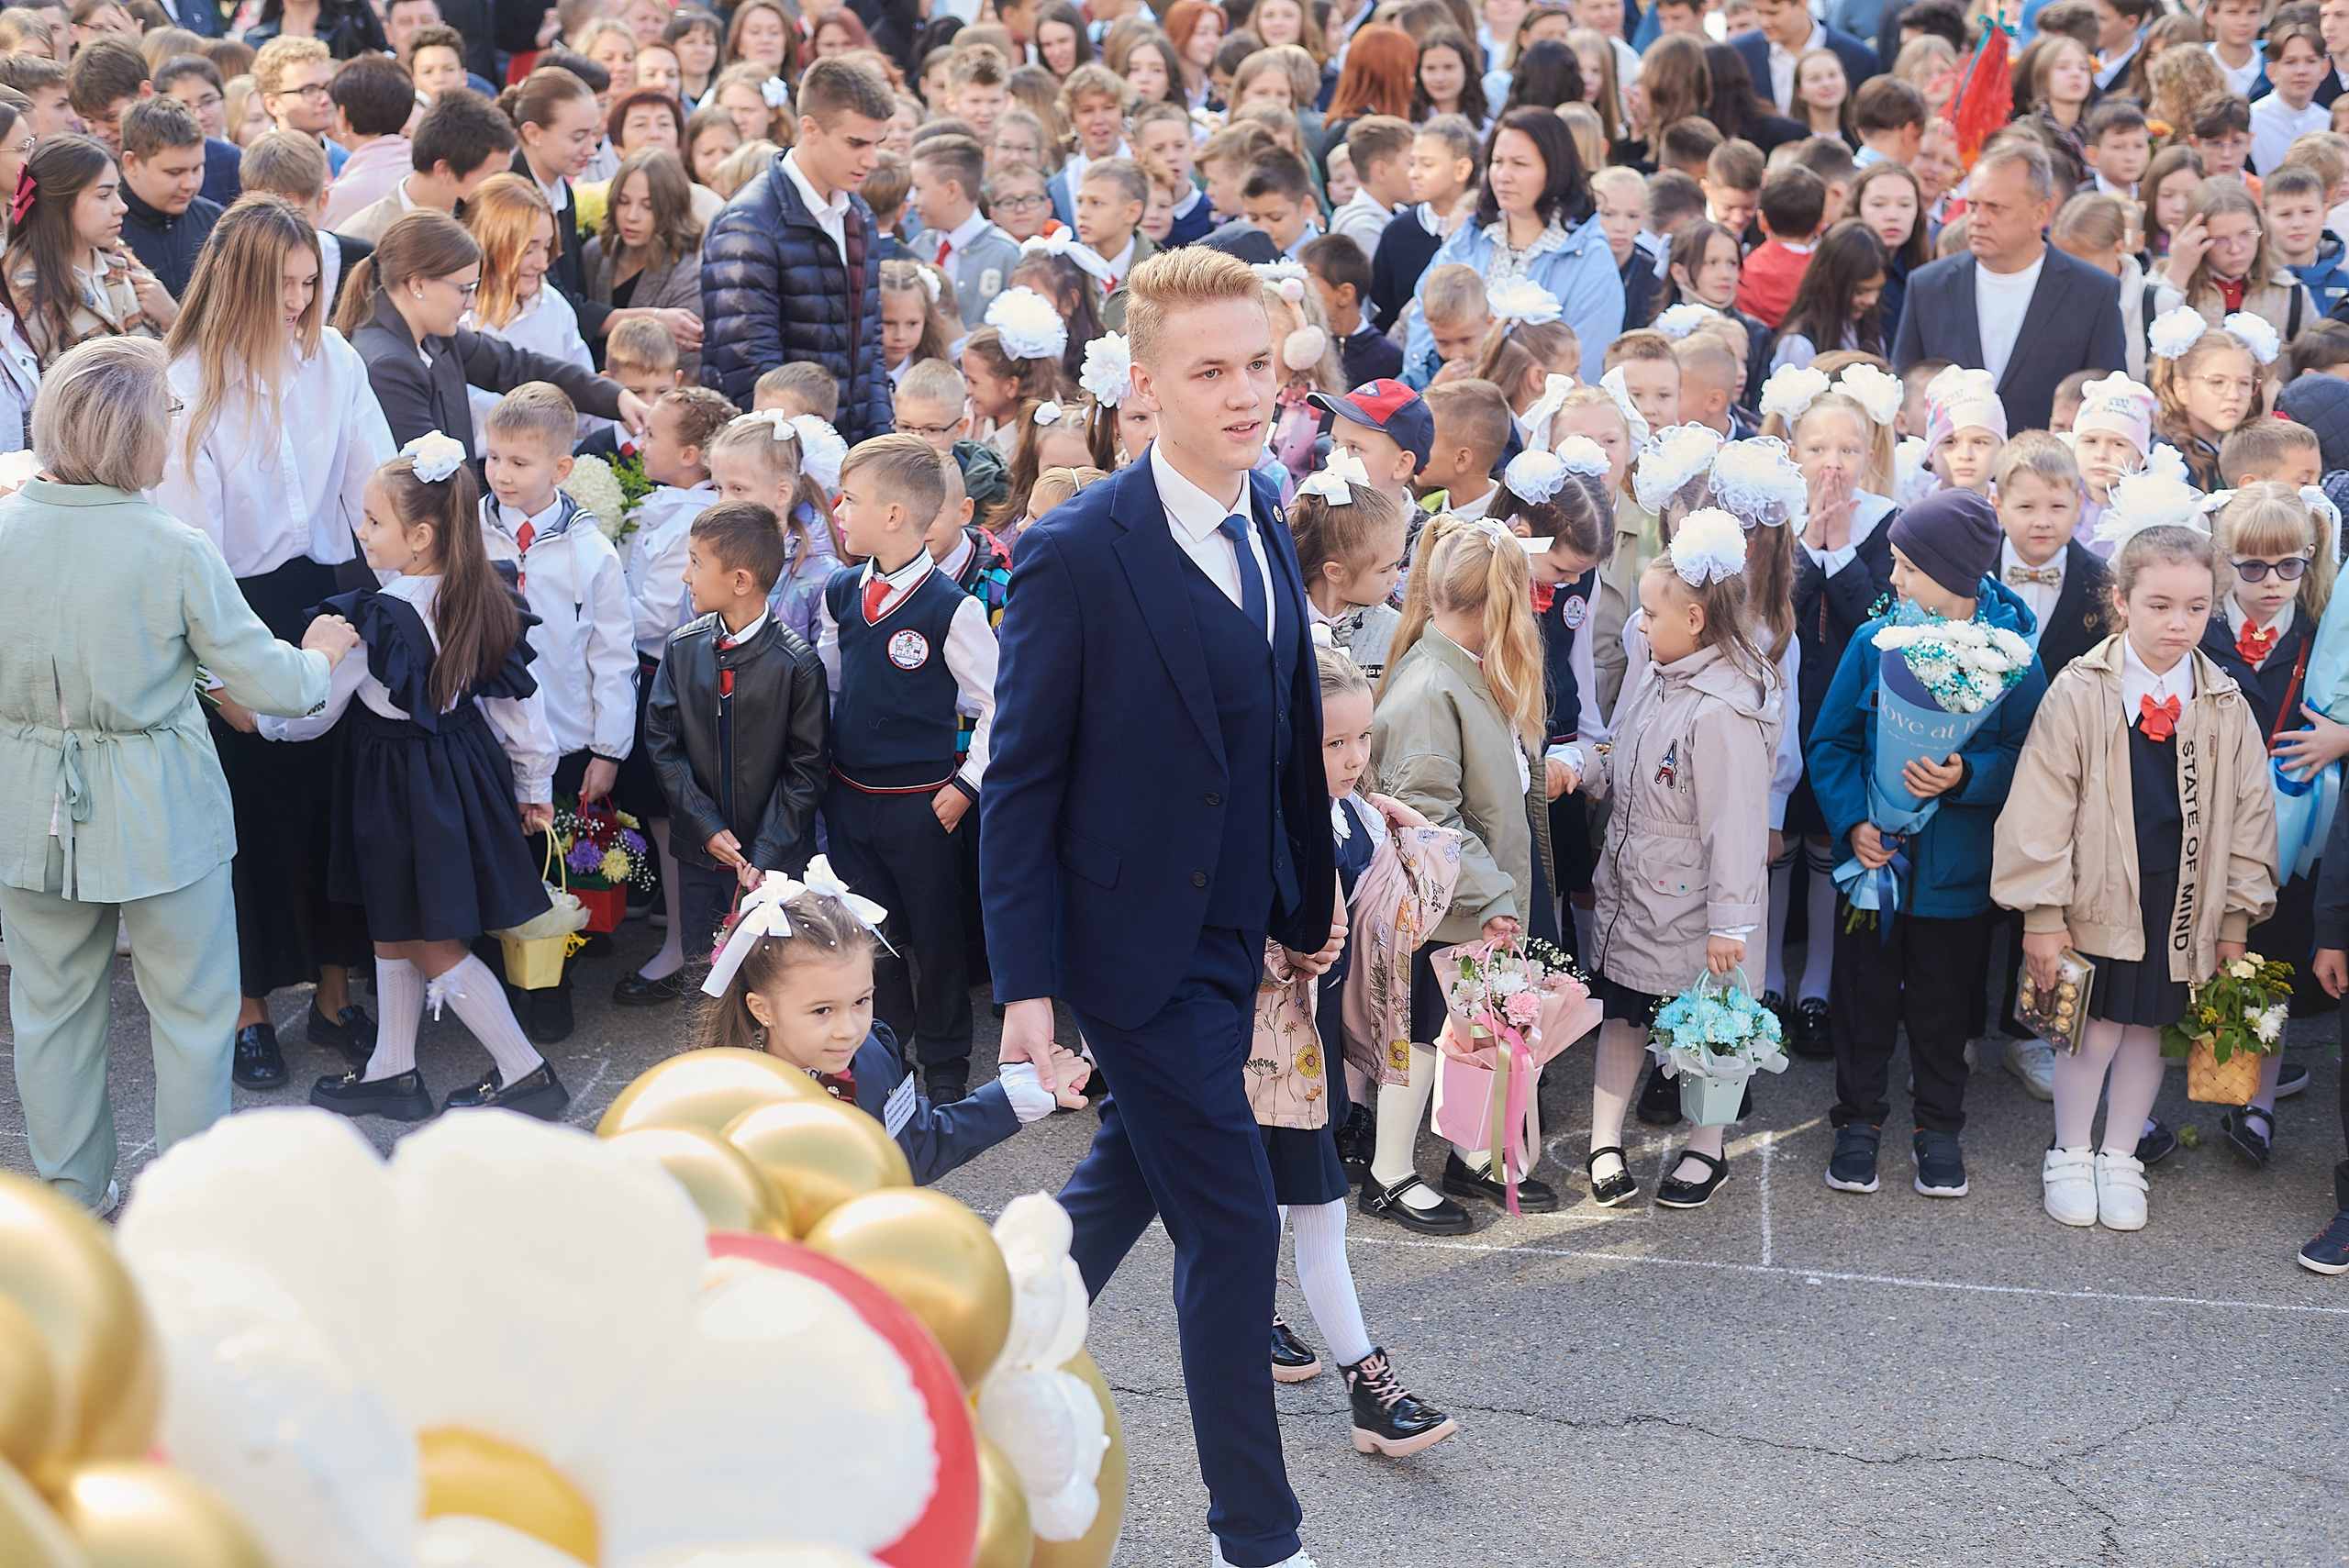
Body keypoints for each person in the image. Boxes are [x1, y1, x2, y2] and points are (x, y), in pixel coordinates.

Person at [980, 246, 1335, 1568]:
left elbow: (1286, 731)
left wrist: (1310, 896)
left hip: (1239, 930)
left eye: (1260, 367)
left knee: (1126, 1188)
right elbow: (1020, 784)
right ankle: (1259, 1535)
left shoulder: (1267, 517)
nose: (1247, 394)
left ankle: (960, 1340)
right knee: (1234, 1224)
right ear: (1146, 385)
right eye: (1212, 372)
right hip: (1129, 953)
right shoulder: (1076, 553)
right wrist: (1028, 987)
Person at [0, 338, 357, 1215]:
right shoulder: (173, 546)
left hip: (27, 799)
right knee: (194, 1016)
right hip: (158, 801)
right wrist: (320, 653)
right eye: (167, 412)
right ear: (132, 433)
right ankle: (187, 1207)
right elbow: (274, 684)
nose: (177, 428)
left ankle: (71, 1199)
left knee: (48, 1010)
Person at [151, 194, 395, 1088]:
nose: (299, 301)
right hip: (228, 602)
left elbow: (372, 481)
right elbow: (187, 546)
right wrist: (228, 678)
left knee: (331, 805)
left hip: (325, 591)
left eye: (310, 283)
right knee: (246, 814)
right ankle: (250, 1006)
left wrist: (395, 594)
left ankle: (333, 993)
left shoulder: (331, 357)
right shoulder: (184, 385)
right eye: (284, 284)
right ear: (239, 279)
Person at [272, 435, 570, 1122]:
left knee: (427, 938)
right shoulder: (481, 592)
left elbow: (314, 709)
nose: (362, 531)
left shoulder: (378, 617)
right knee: (394, 921)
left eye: (374, 522)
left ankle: (526, 1071)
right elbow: (520, 702)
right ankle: (393, 1070)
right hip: (458, 771)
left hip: (400, 783)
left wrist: (261, 721)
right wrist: (532, 785)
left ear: (421, 534)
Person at [1996, 520, 2277, 1232]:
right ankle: (2071, 1149)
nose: (2177, 623)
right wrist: (2041, 913)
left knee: (2151, 1027)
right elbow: (2040, 808)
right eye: (2158, 604)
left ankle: (2121, 1154)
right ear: (2121, 599)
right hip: (2093, 894)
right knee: (2090, 1028)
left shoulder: (2224, 702)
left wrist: (2235, 923)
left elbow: (2250, 816)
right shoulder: (2080, 692)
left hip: (2184, 896)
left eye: (2193, 606)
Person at [1806, 488, 2048, 1200]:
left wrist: (1965, 773)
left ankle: (1938, 1127)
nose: (1894, 580)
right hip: (1873, 864)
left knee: (1946, 1005)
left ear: (1956, 574)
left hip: (1956, 872)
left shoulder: (2013, 659)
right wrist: (1854, 820)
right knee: (1863, 995)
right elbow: (1832, 741)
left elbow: (2028, 756)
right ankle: (1858, 1122)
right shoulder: (1873, 640)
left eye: (1908, 567)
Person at [1262, 645, 1459, 1457]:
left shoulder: (1358, 814)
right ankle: (1368, 1384)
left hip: (1310, 1061)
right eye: (1332, 744)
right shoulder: (1277, 823)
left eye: (1361, 740)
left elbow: (1399, 920)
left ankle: (1259, 1319)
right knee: (1314, 1213)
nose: (1351, 759)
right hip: (1271, 1056)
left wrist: (1404, 836)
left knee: (1279, 1206)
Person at [1581, 510, 1782, 1209]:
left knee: (1708, 1029)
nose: (1640, 625)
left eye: (1650, 613)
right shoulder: (1660, 675)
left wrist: (1731, 923)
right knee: (1625, 1012)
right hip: (1639, 889)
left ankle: (1707, 1145)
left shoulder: (1722, 708)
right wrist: (1587, 769)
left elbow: (1735, 827)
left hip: (1694, 905)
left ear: (1695, 619)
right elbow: (1626, 751)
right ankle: (1605, 1138)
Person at [1363, 513, 1560, 1225]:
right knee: (1418, 1027)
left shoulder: (1463, 667)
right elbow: (1426, 819)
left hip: (1477, 892)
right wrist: (1496, 890)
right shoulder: (1429, 686)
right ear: (1495, 606)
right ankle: (1388, 1171)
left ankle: (1470, 1151)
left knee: (1470, 1024)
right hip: (1446, 896)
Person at [817, 433, 999, 1102]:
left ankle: (948, 1062)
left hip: (923, 805)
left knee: (937, 939)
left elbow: (998, 706)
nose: (838, 508)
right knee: (872, 935)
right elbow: (831, 684)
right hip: (851, 798)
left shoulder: (952, 607)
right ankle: (886, 1051)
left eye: (852, 499)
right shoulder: (842, 592)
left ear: (895, 515)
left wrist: (964, 786)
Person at [696, 871, 1088, 1178]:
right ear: (762, 1009)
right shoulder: (727, 1105)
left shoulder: (870, 1054)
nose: (849, 1029)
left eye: (861, 1001)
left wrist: (1011, 1097)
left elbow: (912, 1152)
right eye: (822, 1011)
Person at [476, 382, 635, 1041]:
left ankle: (549, 987)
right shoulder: (470, 532)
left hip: (564, 737)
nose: (502, 474)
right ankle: (491, 981)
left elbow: (612, 654)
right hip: (483, 734)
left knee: (552, 870)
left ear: (560, 469)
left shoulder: (587, 550)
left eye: (520, 462)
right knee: (492, 859)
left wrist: (608, 748)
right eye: (493, 459)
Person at [644, 497, 830, 965]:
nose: (686, 576)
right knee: (701, 974)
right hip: (700, 855)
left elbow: (805, 772)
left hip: (773, 864)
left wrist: (764, 853)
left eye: (694, 563)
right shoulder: (682, 649)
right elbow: (663, 746)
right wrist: (705, 826)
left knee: (771, 978)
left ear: (741, 580)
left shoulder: (798, 666)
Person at [339, 208, 646, 453]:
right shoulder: (388, 365)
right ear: (418, 284)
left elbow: (519, 366)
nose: (471, 302)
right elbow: (424, 483)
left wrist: (619, 398)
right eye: (463, 289)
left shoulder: (434, 335)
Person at [703, 58, 894, 439]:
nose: (870, 160)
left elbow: (870, 348)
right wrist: (808, 459)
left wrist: (876, 445)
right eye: (856, 143)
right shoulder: (748, 222)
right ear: (810, 129)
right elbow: (751, 371)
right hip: (781, 456)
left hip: (850, 457)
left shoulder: (858, 214)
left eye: (877, 144)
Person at [1892, 140, 2128, 434]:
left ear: (2041, 213)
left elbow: (2110, 402)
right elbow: (1906, 390)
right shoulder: (1928, 285)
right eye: (1973, 206)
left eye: (1995, 208)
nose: (1978, 220)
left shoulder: (2093, 292)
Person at [1402, 107, 1622, 383]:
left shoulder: (1589, 257)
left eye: (1520, 164)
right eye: (1497, 161)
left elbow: (1584, 361)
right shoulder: (1469, 238)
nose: (1504, 175)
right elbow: (1425, 323)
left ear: (1554, 169)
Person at [5, 134, 165, 367]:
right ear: (60, 204)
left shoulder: (119, 259)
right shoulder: (26, 295)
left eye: (117, 192)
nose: (122, 207)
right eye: (103, 196)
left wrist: (173, 316)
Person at [336, 86, 518, 245]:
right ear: (444, 170)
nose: (502, 187)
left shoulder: (492, 225)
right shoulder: (363, 240)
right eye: (492, 178)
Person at [585, 147, 706, 384]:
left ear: (671, 208)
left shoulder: (690, 273)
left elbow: (683, 367)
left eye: (647, 206)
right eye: (623, 202)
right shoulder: (595, 253)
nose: (632, 215)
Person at [117, 95, 218, 304]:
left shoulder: (217, 222)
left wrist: (173, 318)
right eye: (174, 172)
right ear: (131, 162)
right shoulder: (105, 229)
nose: (189, 183)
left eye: (197, 168)